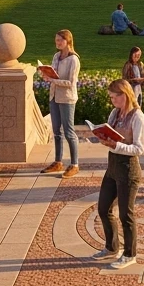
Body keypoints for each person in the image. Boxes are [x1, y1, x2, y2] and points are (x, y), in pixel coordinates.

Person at [90, 78, 144, 271]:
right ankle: (111, 247)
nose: (113, 101)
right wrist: (101, 136)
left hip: (128, 169)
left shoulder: (138, 117)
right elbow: (110, 132)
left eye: (115, 97)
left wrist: (115, 145)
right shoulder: (115, 113)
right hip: (112, 166)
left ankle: (130, 254)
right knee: (103, 208)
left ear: (125, 95)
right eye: (111, 97)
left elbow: (139, 149)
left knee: (126, 214)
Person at [40, 29, 80, 178]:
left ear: (67, 41)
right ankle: (58, 161)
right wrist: (46, 74)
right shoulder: (56, 56)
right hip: (54, 97)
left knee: (69, 132)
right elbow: (53, 73)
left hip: (67, 98)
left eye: (60, 41)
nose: (57, 43)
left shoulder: (74, 60)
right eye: (56, 40)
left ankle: (74, 164)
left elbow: (70, 83)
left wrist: (53, 80)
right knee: (56, 131)